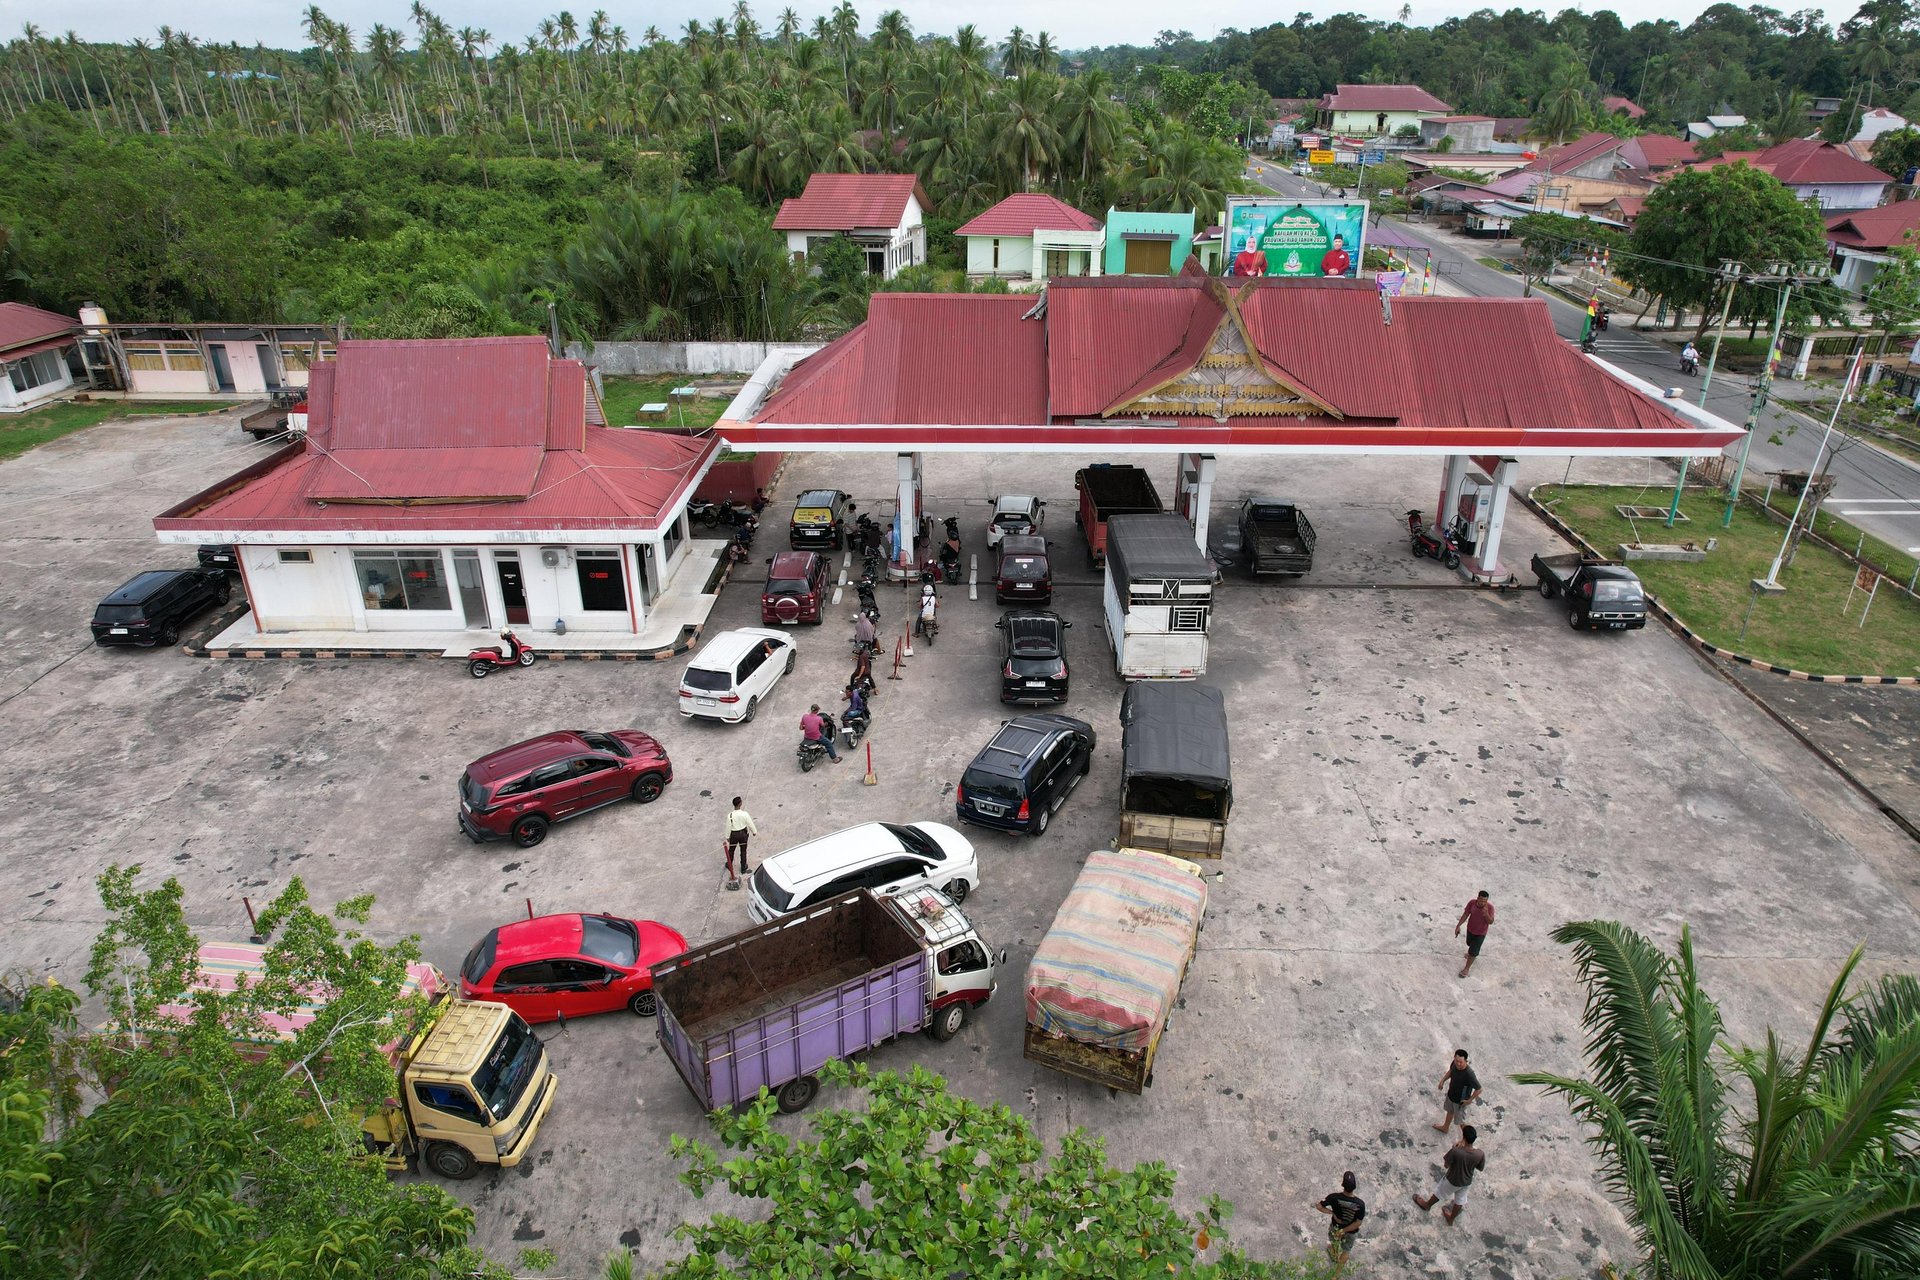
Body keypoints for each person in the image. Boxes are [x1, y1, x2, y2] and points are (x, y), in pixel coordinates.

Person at [1414, 1125, 1486, 1225]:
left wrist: (1454, 1148)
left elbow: (1446, 1165)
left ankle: (1427, 1205)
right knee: (1460, 1200)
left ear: (1464, 1137)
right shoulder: (1480, 1153)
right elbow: (1480, 1168)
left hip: (1452, 1180)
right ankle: (1451, 1218)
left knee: (1439, 1192)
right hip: (1466, 1182)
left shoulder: (1456, 1151)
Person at [1315, 1171, 1366, 1273]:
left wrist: (1332, 1212)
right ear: (1354, 1186)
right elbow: (1358, 1222)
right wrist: (1344, 1230)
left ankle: (1334, 1256)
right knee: (1346, 1250)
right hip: (1351, 1231)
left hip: (1336, 1227)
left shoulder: (1333, 1197)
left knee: (1334, 1243)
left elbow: (1319, 1206)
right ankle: (1336, 1275)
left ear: (1343, 1184)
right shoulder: (1360, 1204)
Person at [1433, 1048, 1482, 1133]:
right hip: (1451, 1095)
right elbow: (1451, 1071)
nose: (1458, 1064)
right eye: (1456, 1061)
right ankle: (1445, 1127)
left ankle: (1465, 1140)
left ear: (1466, 1061)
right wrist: (1443, 1080)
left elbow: (1479, 1089)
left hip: (1460, 1101)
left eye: (1461, 1062)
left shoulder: (1469, 1074)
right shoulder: (1454, 1064)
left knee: (1461, 1122)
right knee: (1450, 1112)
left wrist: (1469, 1100)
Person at [1456, 890, 1496, 977]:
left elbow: (1491, 922)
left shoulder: (1490, 908)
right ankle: (1471, 954)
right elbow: (1466, 914)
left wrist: (1486, 914)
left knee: (1473, 951)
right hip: (1470, 929)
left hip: (1481, 933)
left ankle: (1466, 968)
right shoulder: (1472, 903)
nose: (1482, 903)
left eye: (1485, 901)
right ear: (1477, 898)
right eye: (1481, 900)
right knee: (1469, 943)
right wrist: (1458, 926)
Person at [724, 797, 758, 887]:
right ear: (740, 804)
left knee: (731, 850)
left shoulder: (730, 815)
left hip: (734, 835)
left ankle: (730, 864)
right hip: (743, 833)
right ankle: (743, 867)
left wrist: (727, 837)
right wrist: (754, 831)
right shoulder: (744, 814)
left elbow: (728, 827)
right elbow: (750, 823)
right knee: (743, 850)